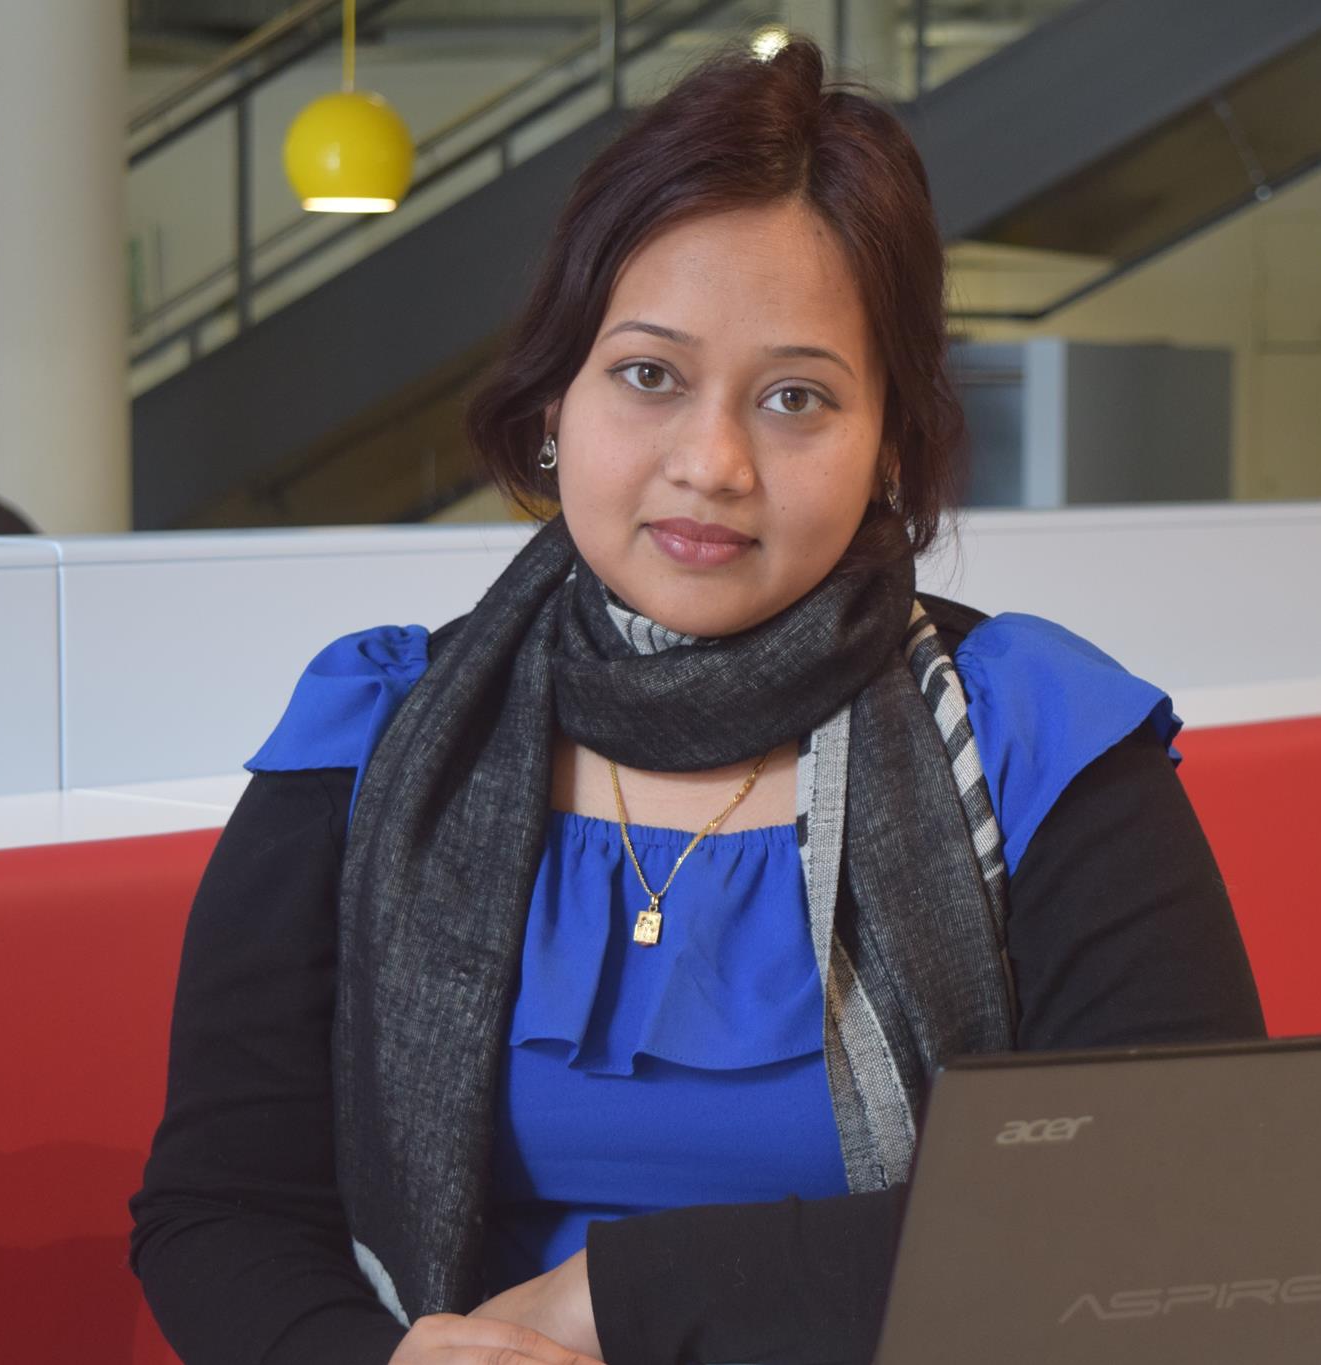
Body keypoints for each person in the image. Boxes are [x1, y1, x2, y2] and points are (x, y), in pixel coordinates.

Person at [128, 33, 1263, 1365]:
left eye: (796, 398)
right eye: (649, 375)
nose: (712, 462)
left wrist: (611, 1297)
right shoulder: (371, 736)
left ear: (889, 439)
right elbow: (224, 1210)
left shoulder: (1034, 739)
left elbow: (1170, 1204)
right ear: (558, 399)